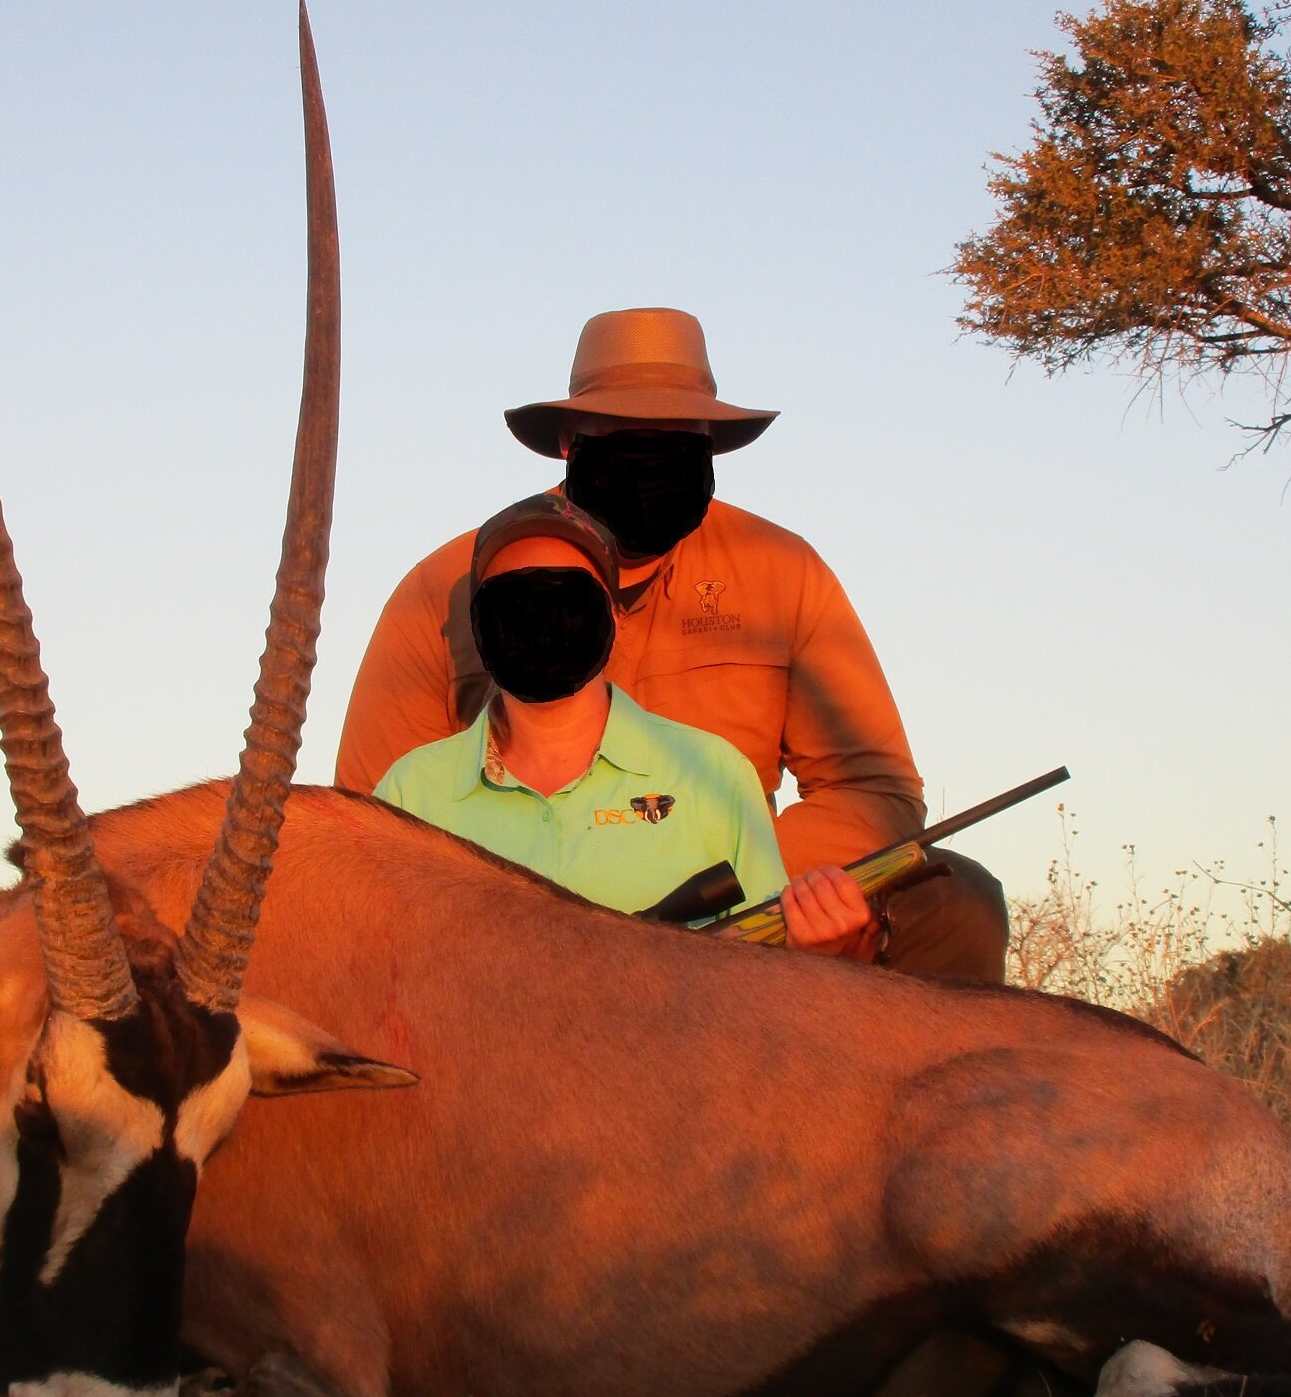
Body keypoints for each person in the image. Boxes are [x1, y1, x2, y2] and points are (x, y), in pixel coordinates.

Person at [338, 306, 1008, 983]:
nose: (651, 461)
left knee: (959, 904)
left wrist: (732, 872)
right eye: (625, 434)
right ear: (571, 440)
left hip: (730, 919)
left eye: (678, 437)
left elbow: (877, 787)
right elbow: (366, 819)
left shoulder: (783, 571)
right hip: (506, 932)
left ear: (710, 445)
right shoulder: (447, 587)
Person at [373, 494, 880, 960]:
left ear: (613, 617)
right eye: (513, 599)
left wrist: (826, 950)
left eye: (569, 596)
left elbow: (768, 982)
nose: (542, 617)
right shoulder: (408, 793)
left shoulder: (715, 773)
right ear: (479, 625)